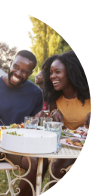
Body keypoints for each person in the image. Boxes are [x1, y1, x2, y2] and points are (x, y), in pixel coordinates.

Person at [0, 50, 48, 196]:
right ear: (11, 63)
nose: (18, 73)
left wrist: (38, 120)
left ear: (31, 73)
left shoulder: (35, 93)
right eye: (16, 67)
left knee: (39, 161)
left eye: (25, 71)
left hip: (17, 148)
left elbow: (34, 126)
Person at [38, 50, 91, 185]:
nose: (52, 76)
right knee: (57, 169)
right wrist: (50, 115)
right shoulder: (54, 99)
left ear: (71, 72)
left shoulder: (91, 95)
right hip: (69, 148)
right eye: (51, 72)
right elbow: (48, 128)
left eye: (58, 71)